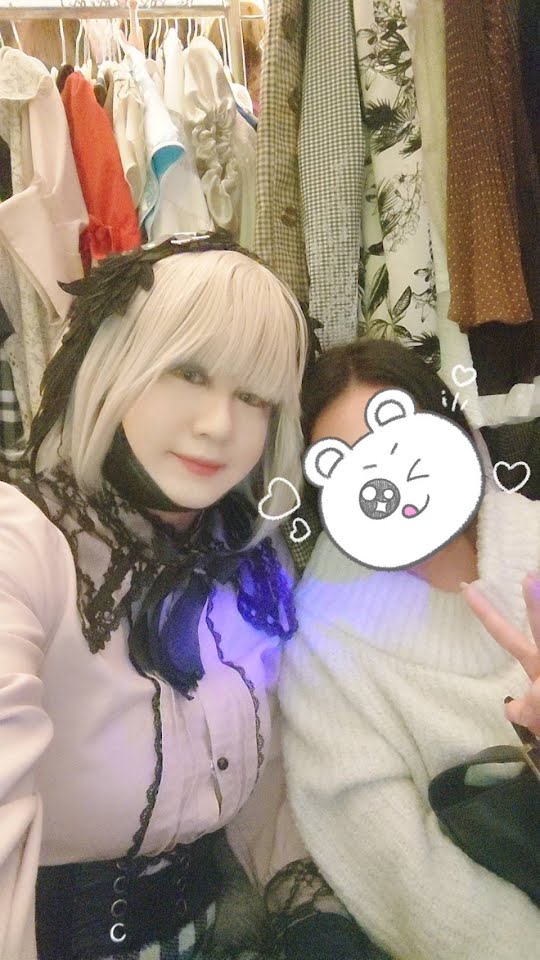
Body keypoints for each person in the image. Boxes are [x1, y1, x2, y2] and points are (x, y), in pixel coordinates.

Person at [0, 233, 382, 960]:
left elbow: (266, 781)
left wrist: (315, 921)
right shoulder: (23, 541)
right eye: (188, 372)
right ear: (117, 365)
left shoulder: (248, 557)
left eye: (254, 396)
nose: (218, 426)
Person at [279, 338, 540, 960]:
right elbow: (405, 878)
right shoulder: (323, 648)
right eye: (349, 467)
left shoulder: (531, 534)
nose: (391, 482)